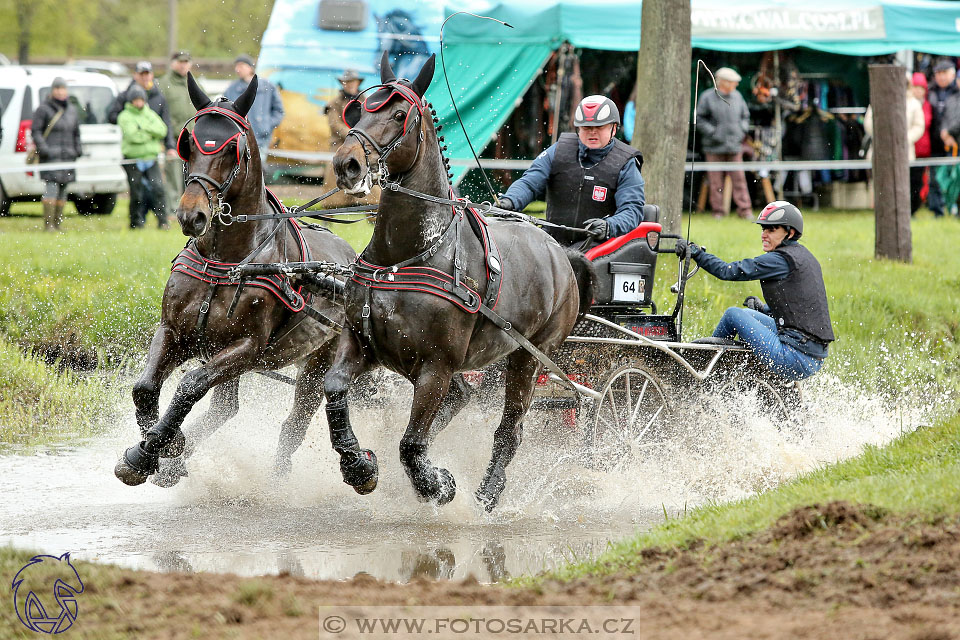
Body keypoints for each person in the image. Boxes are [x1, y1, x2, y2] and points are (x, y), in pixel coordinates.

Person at [675, 201, 834, 381]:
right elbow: (799, 306)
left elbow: (728, 271)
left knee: (733, 314)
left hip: (795, 356)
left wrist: (697, 253)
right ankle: (717, 372)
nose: (764, 235)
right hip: (811, 354)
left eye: (771, 230)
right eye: (763, 229)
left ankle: (696, 378)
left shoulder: (779, 260)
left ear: (790, 233)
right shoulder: (803, 256)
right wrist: (765, 309)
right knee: (746, 313)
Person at [498, 95, 645, 247]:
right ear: (578, 128)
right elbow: (529, 183)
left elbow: (632, 210)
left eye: (599, 127)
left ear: (614, 129)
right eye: (587, 127)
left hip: (600, 246)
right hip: (552, 242)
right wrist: (510, 201)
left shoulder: (626, 162)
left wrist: (608, 226)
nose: (592, 132)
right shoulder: (559, 150)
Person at [697, 67, 752, 220]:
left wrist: (741, 130)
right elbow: (700, 119)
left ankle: (745, 210)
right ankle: (718, 212)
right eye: (733, 82)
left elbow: (745, 116)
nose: (736, 85)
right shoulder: (707, 97)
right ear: (724, 82)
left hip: (735, 146)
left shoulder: (738, 96)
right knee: (716, 182)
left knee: (739, 180)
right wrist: (714, 133)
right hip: (713, 147)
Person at [322, 69, 380, 209]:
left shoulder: (366, 102)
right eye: (347, 82)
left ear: (357, 83)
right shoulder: (334, 104)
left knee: (371, 168)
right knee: (334, 170)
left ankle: (373, 206)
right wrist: (353, 135)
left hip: (364, 144)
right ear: (343, 84)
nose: (350, 85)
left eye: (352, 82)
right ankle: (331, 207)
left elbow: (372, 121)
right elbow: (335, 125)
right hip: (340, 144)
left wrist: (362, 138)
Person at [31, 77, 82, 232]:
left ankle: (58, 224)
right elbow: (36, 131)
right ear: (52, 90)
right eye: (57, 88)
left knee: (63, 191)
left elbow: (76, 133)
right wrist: (45, 149)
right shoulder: (44, 109)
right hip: (51, 157)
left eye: (63, 88)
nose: (60, 91)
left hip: (67, 156)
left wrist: (77, 150)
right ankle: (48, 225)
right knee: (51, 189)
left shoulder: (72, 110)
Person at [117, 85, 168, 229]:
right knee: (136, 193)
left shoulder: (149, 113)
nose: (139, 103)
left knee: (158, 189)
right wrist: (151, 134)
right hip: (133, 159)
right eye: (136, 100)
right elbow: (132, 136)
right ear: (131, 101)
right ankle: (136, 222)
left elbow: (162, 130)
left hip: (151, 158)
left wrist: (143, 128)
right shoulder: (124, 116)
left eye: (141, 100)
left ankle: (163, 221)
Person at [157, 51, 199, 214]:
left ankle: (191, 207)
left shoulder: (194, 82)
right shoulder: (163, 84)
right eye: (180, 62)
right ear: (173, 63)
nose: (183, 65)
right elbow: (158, 111)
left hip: (193, 138)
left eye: (186, 62)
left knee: (192, 174)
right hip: (173, 137)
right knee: (173, 176)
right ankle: (173, 209)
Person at [225, 54, 284, 165]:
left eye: (241, 66)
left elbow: (279, 111)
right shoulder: (231, 89)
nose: (237, 70)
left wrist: (266, 125)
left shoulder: (268, 86)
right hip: (237, 139)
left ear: (250, 67)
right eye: (236, 66)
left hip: (261, 139)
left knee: (258, 170)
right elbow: (225, 112)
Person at [108, 61, 174, 153]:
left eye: (147, 74)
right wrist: (132, 123)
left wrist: (170, 146)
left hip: (153, 150)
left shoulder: (159, 97)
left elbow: (166, 122)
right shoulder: (125, 96)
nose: (144, 77)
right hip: (132, 150)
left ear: (152, 75)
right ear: (135, 75)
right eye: (141, 74)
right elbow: (112, 116)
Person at [926, 58, 959, 217]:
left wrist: (950, 134)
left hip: (955, 141)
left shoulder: (957, 93)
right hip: (935, 142)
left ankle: (954, 208)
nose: (941, 77)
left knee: (954, 178)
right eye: (938, 74)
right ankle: (937, 210)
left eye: (944, 73)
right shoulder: (930, 92)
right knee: (935, 179)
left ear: (952, 74)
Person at [911, 72, 933, 215]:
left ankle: (914, 207)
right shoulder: (908, 104)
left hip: (922, 150)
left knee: (918, 182)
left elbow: (927, 122)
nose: (918, 91)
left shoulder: (927, 105)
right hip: (909, 149)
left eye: (921, 88)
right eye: (916, 87)